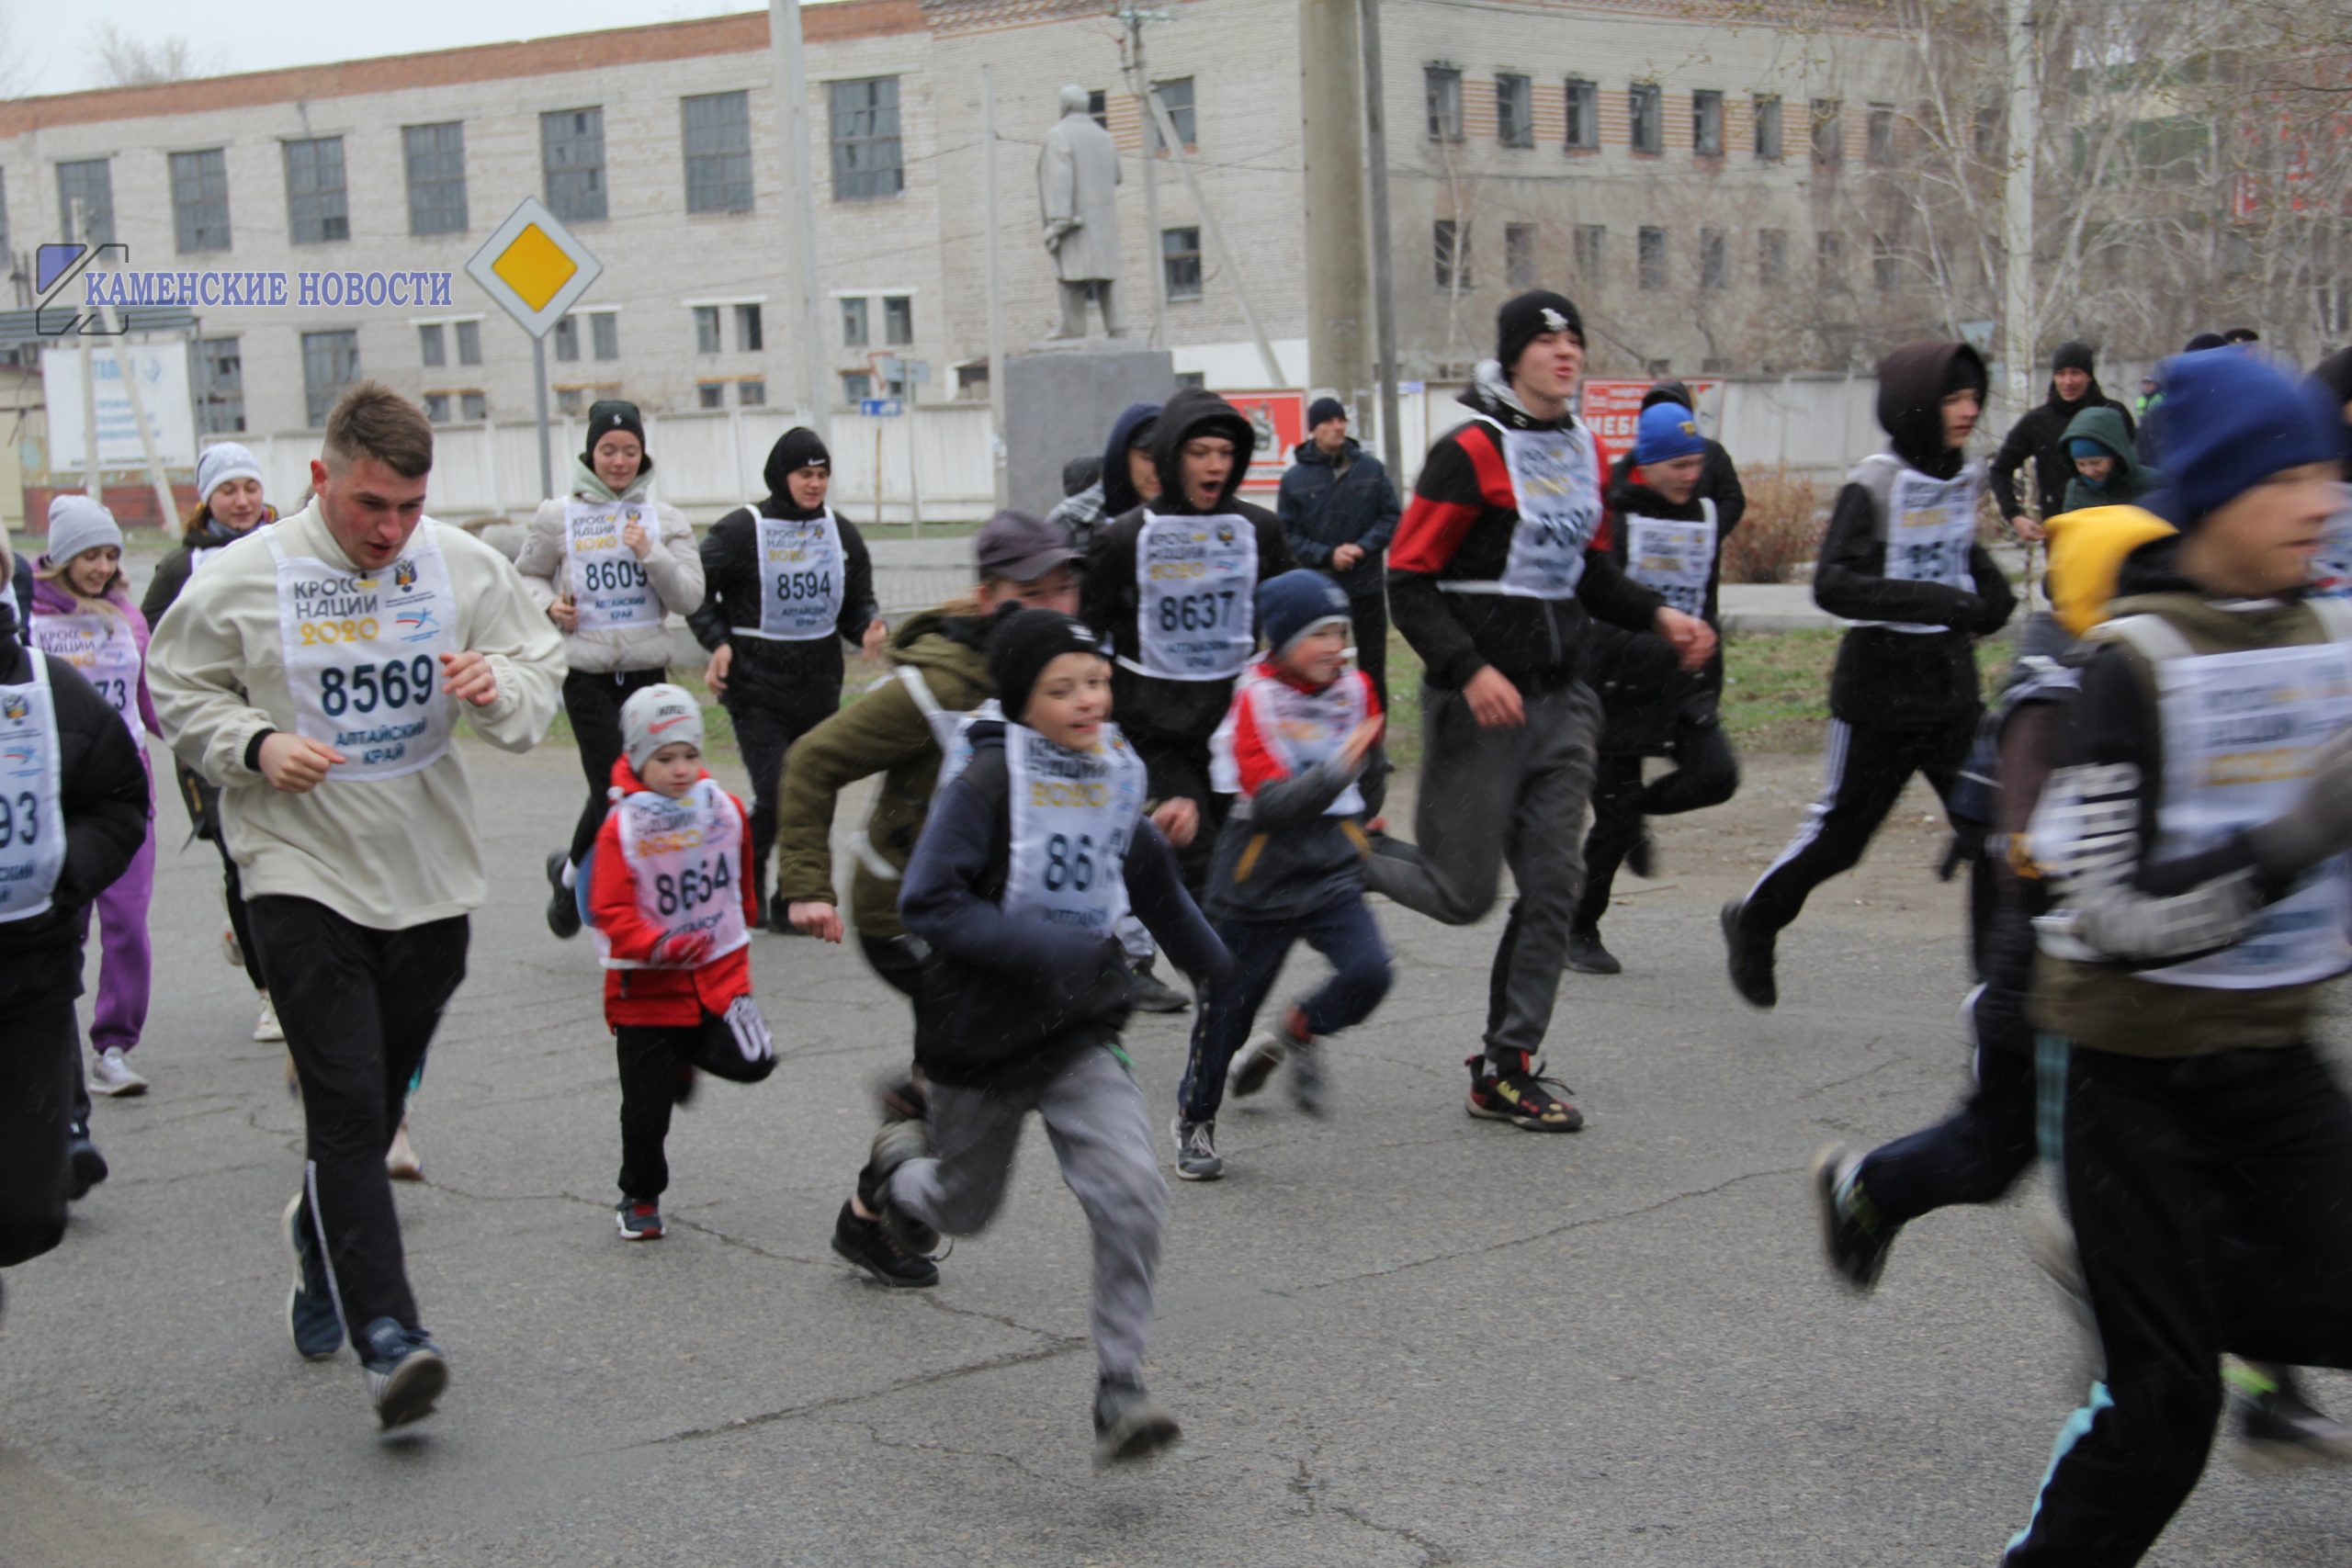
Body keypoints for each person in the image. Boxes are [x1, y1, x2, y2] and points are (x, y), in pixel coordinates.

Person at [1811, 502, 2352, 1464]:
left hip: (2151, 998)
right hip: (2049, 1004)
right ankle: (1869, 1188)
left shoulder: (2154, 675)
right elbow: (2044, 874)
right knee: (2001, 1162)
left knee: (2233, 1185)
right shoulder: (2064, 698)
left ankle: (2256, 1391)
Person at [148, 382, 565, 1429]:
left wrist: (496, 687)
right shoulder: (243, 577)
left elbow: (534, 662)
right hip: (295, 868)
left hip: (427, 874)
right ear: (321, 478)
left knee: (373, 1095)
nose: (389, 531)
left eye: (408, 509)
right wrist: (254, 745)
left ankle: (318, 1228)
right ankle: (392, 1337)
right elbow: (176, 685)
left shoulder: (456, 564)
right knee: (347, 1106)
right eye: (369, 505)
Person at [1998, 349, 2352, 1563]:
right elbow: (2102, 912)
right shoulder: (2130, 667)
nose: (2323, 500)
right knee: (2164, 1413)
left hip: (2274, 1058)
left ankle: (2154, 1278)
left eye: (2328, 472)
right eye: (2292, 476)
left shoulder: (2327, 640)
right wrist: (2295, 838)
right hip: (2136, 1077)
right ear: (2215, 496)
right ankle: (2145, 1280)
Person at [850, 609, 1231, 1464]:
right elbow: (929, 902)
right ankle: (895, 1172)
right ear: (1023, 699)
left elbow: (1141, 869)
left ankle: (1121, 1385)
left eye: (1096, 681)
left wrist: (1214, 965)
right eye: (1063, 689)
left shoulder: (1107, 770)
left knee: (1132, 1189)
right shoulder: (989, 778)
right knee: (962, 1207)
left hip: (1076, 1029)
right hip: (980, 1034)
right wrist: (1042, 947)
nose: (1089, 700)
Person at [1364, 290, 1713, 1132]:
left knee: (1556, 884)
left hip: (1564, 702)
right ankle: (1334, 846)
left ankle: (1506, 1066)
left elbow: (1588, 575)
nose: (1566, 352)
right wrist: (1470, 668)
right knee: (1460, 894)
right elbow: (1406, 580)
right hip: (1478, 707)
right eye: (1547, 340)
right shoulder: (1470, 453)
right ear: (1514, 355)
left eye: (1574, 339)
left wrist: (1658, 613)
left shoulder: (1587, 452)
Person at [776, 512, 1082, 1286]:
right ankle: (897, 1163)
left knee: (985, 1058)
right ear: (988, 597)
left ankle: (898, 1151)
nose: (1054, 604)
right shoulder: (936, 689)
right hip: (906, 914)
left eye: (1064, 587)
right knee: (996, 1053)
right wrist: (806, 886)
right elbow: (810, 761)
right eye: (1030, 591)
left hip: (979, 917)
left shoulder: (1060, 672)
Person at [1722, 341, 2015, 1010]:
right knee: (1841, 841)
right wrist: (1938, 602)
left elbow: (1965, 558)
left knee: (1993, 830)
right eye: (1953, 398)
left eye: (1975, 397)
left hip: (1951, 694)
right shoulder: (1875, 482)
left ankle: (1997, 992)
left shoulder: (1958, 475)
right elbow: (1833, 584)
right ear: (1918, 405)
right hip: (1879, 695)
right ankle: (1756, 919)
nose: (1969, 410)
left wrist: (1994, 600)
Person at [1170, 571, 1389, 1180]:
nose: (1333, 646)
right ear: (1282, 637)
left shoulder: (1357, 687)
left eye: (1340, 632)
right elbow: (1272, 804)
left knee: (1371, 971)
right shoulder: (1255, 699)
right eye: (1318, 633)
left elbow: (1373, 760)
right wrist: (1342, 767)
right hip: (1256, 881)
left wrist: (1365, 809)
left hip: (1330, 873)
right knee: (1225, 1016)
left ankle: (1300, 1029)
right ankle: (1195, 1117)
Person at [0, 547, 149, 1319]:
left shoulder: (44, 690)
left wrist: (58, 877)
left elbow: (119, 799)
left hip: (27, 972)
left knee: (29, 1214)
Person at [1081, 389, 1298, 903]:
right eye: (1199, 453)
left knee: (1243, 865)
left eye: (1224, 454)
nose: (1214, 466)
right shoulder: (1124, 538)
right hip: (1155, 731)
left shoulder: (1259, 529)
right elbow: (1089, 635)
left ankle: (1215, 969)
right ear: (1172, 456)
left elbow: (1293, 618)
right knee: (1200, 867)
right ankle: (1215, 976)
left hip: (1232, 728)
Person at [587, 685, 775, 1240]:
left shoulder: (722, 808)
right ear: (640, 760)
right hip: (645, 994)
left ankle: (683, 1058)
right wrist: (657, 943)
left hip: (717, 973)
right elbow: (609, 909)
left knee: (757, 1059)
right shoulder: (622, 826)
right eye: (665, 759)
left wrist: (740, 918)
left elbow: (738, 873)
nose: (681, 769)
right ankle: (640, 1195)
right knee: (645, 1115)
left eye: (691, 755)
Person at [517, 400, 705, 939]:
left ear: (642, 454)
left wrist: (652, 554)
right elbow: (524, 580)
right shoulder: (558, 515)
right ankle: (612, 900)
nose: (619, 461)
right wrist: (550, 606)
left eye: (629, 450)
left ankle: (571, 874)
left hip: (648, 675)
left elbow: (690, 598)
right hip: (587, 676)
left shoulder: (664, 520)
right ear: (591, 453)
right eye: (608, 450)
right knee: (614, 790)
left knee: (643, 791)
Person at [1569, 400, 1743, 976]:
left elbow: (1705, 600)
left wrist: (1704, 660)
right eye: (1678, 465)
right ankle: (1579, 926)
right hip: (1614, 686)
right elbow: (1595, 615)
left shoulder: (1702, 515)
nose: (1691, 475)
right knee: (1612, 826)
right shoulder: (1612, 518)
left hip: (1682, 685)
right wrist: (1660, 637)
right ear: (1646, 464)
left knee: (1717, 776)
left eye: (1696, 463)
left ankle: (1636, 813)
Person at [689, 427, 886, 928]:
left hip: (818, 686)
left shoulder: (840, 534)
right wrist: (719, 642)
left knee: (811, 792)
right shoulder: (741, 530)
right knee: (780, 792)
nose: (815, 485)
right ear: (783, 476)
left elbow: (854, 603)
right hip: (755, 687)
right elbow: (693, 589)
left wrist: (869, 626)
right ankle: (744, 884)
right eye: (805, 475)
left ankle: (791, 898)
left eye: (822, 476)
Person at [143, 441, 282, 1046]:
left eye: (250, 487)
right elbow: (147, 645)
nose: (243, 500)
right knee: (237, 857)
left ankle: (251, 932)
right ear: (208, 499)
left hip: (282, 727)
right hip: (210, 738)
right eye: (229, 489)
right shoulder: (180, 568)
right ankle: (271, 994)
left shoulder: (291, 547)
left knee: (280, 851)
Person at [30, 496, 160, 1098]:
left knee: (128, 925)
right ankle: (44, 1046)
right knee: (62, 926)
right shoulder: (28, 622)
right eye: (90, 554)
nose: (103, 566)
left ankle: (114, 1045)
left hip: (126, 790)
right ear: (60, 557)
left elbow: (153, 698)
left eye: (111, 553)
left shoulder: (128, 618)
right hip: (55, 793)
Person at [1276, 398, 1401, 709]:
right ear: (1314, 430)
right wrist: (1327, 555)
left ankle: (1374, 745)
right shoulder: (1294, 480)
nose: (1338, 427)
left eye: (1341, 420)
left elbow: (1391, 516)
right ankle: (1328, 734)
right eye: (1329, 422)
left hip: (1367, 586)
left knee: (1373, 670)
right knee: (1323, 669)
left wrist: (1362, 547)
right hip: (1321, 591)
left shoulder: (1370, 468)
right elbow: (1288, 536)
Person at [1988, 342, 2136, 543]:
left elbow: (2137, 466)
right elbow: (1999, 470)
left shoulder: (2113, 414)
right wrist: (2015, 516)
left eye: (2075, 373)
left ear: (2089, 376)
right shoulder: (2037, 421)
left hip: (2115, 530)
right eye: (2061, 373)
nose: (2067, 381)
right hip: (2062, 535)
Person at [1050, 402, 1162, 565]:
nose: (1159, 470)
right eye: (1148, 458)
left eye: (1168, 457)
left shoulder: (1189, 517)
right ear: (1122, 457)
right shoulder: (1072, 520)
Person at [1638, 379, 1748, 538]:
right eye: (1679, 466)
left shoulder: (1713, 452)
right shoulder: (1639, 459)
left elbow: (1733, 500)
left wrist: (1707, 535)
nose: (1690, 476)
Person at [2058, 404, 2162, 514]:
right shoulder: (2076, 489)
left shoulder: (2152, 483)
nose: (2089, 472)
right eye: (2081, 464)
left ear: (2115, 455)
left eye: (2095, 463)